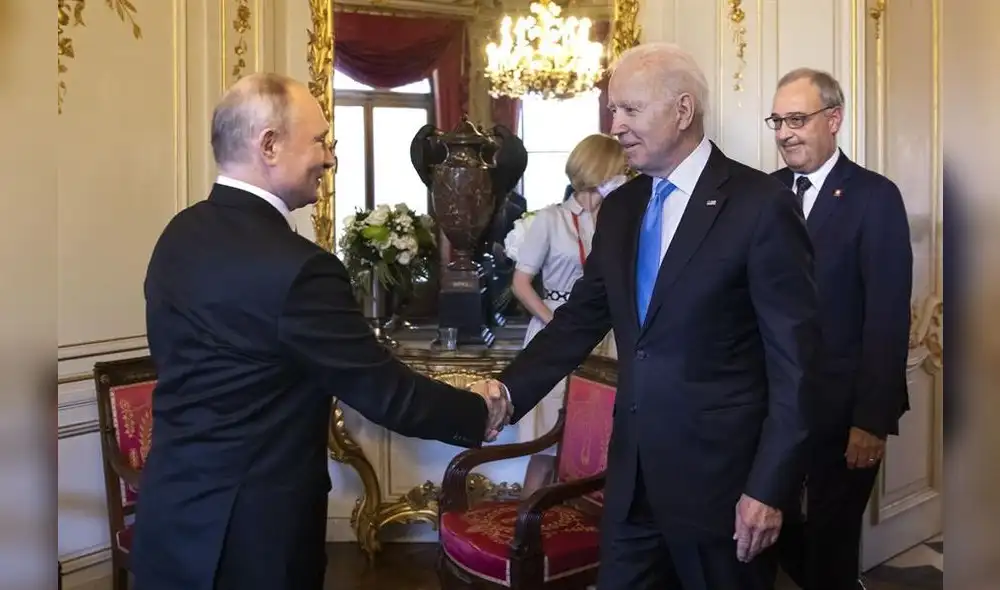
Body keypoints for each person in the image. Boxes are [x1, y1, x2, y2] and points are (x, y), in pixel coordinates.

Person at [132, 73, 511, 590]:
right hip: (255, 538)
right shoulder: (300, 268)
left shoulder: (177, 235)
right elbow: (387, 394)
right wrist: (478, 411)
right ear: (269, 144)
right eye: (320, 141)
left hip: (168, 518)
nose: (330, 158)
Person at [474, 42, 820, 589]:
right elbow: (579, 323)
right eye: (614, 110)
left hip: (723, 491)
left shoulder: (759, 205)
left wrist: (769, 488)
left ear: (682, 111)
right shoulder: (623, 208)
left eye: (630, 109)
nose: (615, 125)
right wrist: (509, 392)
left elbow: (797, 366)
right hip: (632, 485)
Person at [767, 68, 913, 590]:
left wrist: (871, 420)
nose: (785, 132)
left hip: (845, 410)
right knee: (770, 529)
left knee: (832, 542)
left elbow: (888, 315)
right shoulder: (763, 195)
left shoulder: (875, 197)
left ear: (834, 119)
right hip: (772, 407)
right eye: (778, 120)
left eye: (798, 119)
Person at [510, 134, 624, 445]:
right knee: (547, 444)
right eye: (618, 171)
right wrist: (558, 326)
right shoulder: (550, 219)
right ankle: (538, 496)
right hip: (556, 325)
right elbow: (520, 284)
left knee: (599, 442)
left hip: (605, 334)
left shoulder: (616, 220)